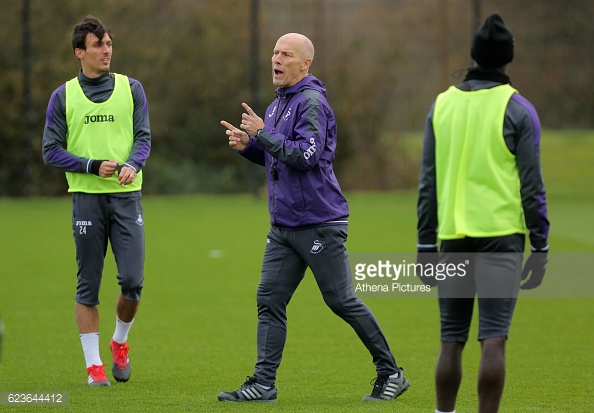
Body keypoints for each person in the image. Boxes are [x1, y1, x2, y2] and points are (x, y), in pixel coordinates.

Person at [218, 33, 409, 403]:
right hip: (284, 227)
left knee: (341, 300)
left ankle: (391, 373)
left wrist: (263, 134)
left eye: (286, 54)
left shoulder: (311, 103)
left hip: (318, 222)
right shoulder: (277, 106)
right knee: (269, 299)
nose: (277, 58)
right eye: (274, 52)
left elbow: (306, 156)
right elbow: (279, 156)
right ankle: (263, 383)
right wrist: (250, 147)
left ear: (305, 64)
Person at [416, 12, 550, 413]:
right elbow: (532, 186)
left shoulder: (441, 105)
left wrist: (425, 244)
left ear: (474, 55)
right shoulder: (519, 109)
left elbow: (428, 183)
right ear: (507, 59)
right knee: (493, 338)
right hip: (501, 235)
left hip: (452, 236)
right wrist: (540, 246)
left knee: (451, 338)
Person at [42, 15, 151, 387]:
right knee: (88, 284)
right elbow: (50, 151)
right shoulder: (64, 96)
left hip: (126, 199)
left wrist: (133, 164)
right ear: (80, 52)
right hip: (86, 201)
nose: (106, 51)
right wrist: (90, 165)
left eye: (108, 44)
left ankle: (120, 342)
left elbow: (143, 138)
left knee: (133, 282)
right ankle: (94, 367)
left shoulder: (132, 89)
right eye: (98, 45)